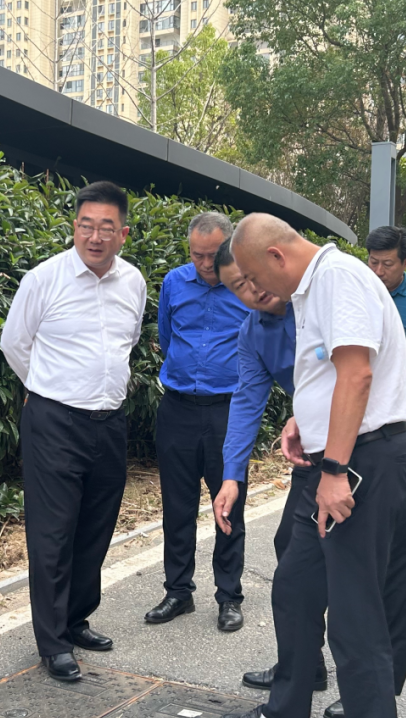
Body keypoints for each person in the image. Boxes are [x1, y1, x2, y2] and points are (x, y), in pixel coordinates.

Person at [219, 214, 406, 718]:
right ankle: (286, 710)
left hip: (359, 464)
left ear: (276, 257)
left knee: (355, 616)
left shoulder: (337, 279)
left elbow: (358, 374)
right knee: (295, 584)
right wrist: (302, 418)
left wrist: (333, 469)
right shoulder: (313, 289)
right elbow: (332, 375)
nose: (257, 293)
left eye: (255, 279)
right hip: (335, 456)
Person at [1, 181, 147, 683]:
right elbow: (15, 344)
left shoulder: (133, 282)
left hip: (109, 422)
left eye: (107, 227)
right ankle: (53, 641)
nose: (95, 236)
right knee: (53, 533)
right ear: (74, 227)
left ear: (123, 233)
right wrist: (47, 390)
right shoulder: (44, 279)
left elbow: (128, 342)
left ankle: (76, 618)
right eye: (86, 225)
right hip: (55, 423)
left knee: (95, 528)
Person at [314, 226, 406, 718]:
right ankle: (319, 667)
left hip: (395, 424)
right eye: (373, 260)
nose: (379, 269)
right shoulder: (354, 289)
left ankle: (383, 684)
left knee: (394, 559)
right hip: (350, 425)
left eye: (388, 262)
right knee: (345, 557)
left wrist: (397, 382)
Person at [211, 240, 331, 695]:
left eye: (251, 278)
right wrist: (231, 476)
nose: (251, 291)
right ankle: (304, 665)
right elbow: (246, 402)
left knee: (357, 563)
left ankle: (370, 691)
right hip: (313, 446)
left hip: (366, 441)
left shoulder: (317, 304)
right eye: (235, 287)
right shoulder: (253, 333)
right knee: (292, 546)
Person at [145, 213, 249, 632]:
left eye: (213, 255)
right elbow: (167, 337)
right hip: (178, 408)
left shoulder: (245, 286)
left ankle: (229, 596)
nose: (206, 264)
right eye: (197, 255)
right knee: (177, 504)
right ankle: (178, 591)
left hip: (227, 411)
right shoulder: (174, 282)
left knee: (229, 506)